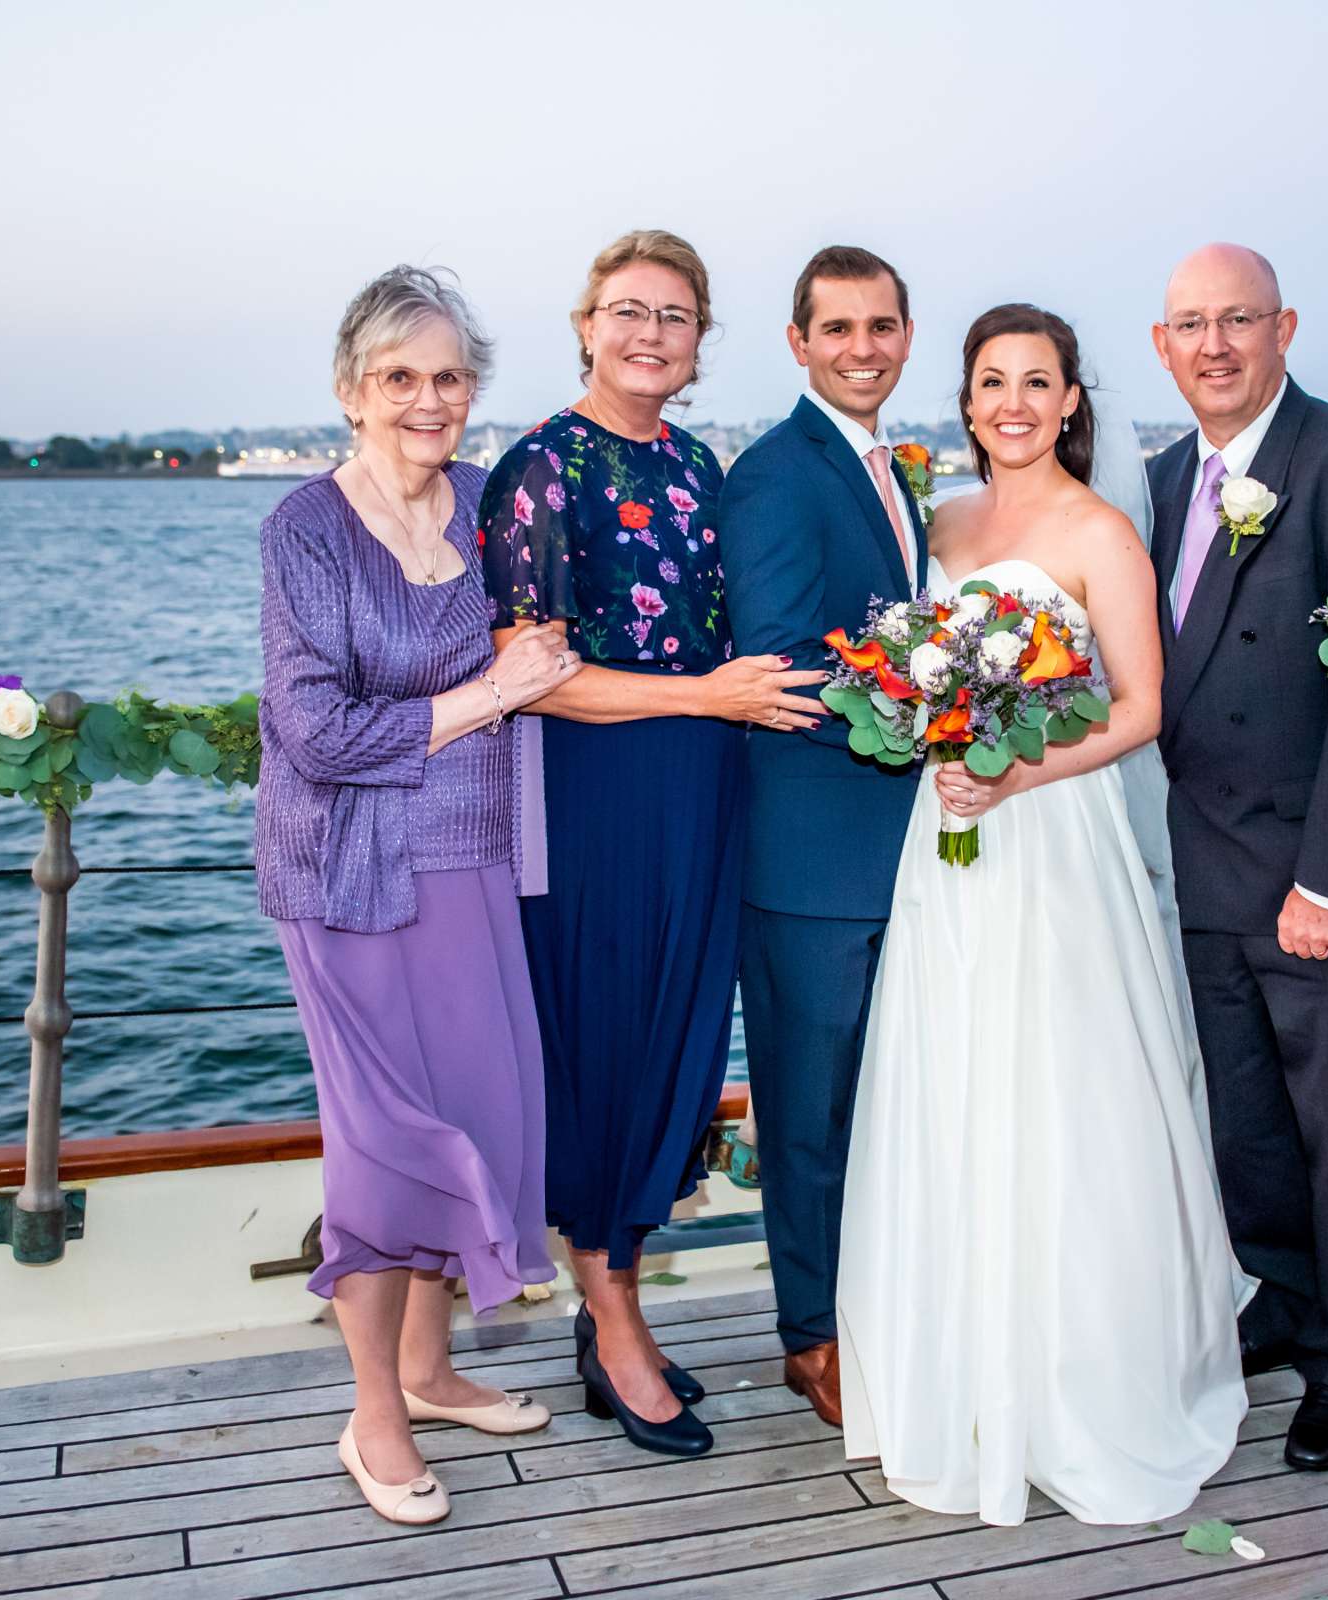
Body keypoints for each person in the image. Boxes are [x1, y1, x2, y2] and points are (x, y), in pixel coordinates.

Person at [836, 303, 1247, 1526]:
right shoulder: (939, 522)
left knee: (1066, 1095)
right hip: (944, 842)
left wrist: (1020, 771)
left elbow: (1139, 709)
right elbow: (901, 667)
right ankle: (957, 1378)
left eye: (1038, 382)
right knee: (950, 1083)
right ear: (965, 402)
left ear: (1072, 401)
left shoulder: (1099, 530)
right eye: (991, 382)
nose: (1013, 402)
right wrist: (929, 728)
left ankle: (1077, 1387)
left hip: (1053, 838)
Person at [477, 230, 824, 1459]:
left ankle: (613, 1295)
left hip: (706, 790)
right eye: (630, 310)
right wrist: (707, 700)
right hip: (595, 794)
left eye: (676, 316)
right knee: (607, 1045)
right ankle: (611, 1317)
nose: (651, 334)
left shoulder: (699, 465)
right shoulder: (536, 471)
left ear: (698, 341)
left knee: (679, 1046)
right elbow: (536, 678)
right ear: (585, 324)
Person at [257, 265, 580, 1524]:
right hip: (346, 876)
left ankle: (434, 1366)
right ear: (351, 391)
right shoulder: (306, 529)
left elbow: (559, 642)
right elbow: (320, 730)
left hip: (477, 860)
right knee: (386, 1149)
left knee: (483, 1115)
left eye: (448, 375)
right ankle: (373, 1414)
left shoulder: (492, 508)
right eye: (400, 376)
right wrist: (493, 691)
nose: (427, 399)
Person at [1147, 243, 1328, 1472]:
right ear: (1163, 346)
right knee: (1250, 1127)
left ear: (1286, 329)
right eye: (1190, 325)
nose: (1214, 344)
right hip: (1202, 866)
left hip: (1317, 878)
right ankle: (1289, 1296)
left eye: (1238, 321)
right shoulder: (1164, 479)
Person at [718, 245, 930, 1430]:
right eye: (838, 328)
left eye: (882, 327)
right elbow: (781, 661)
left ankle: (878, 1304)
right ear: (798, 342)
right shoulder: (776, 474)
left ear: (906, 336)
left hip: (892, 851)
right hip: (808, 860)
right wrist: (935, 704)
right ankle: (813, 1338)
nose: (862, 348)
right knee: (806, 1110)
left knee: (886, 1101)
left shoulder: (886, 466)